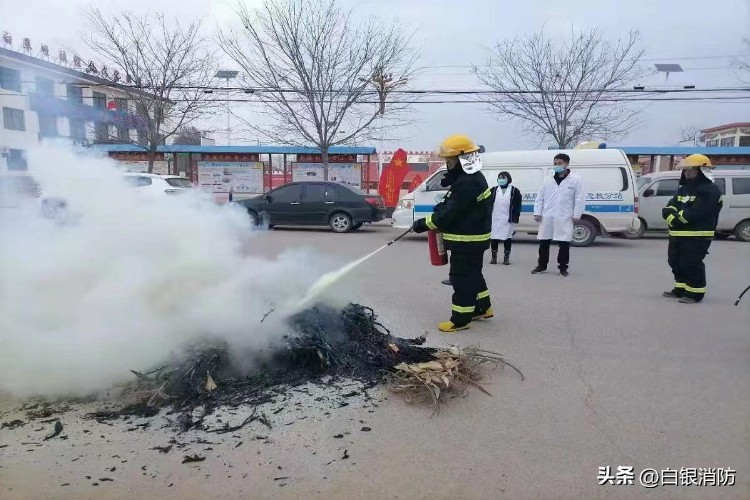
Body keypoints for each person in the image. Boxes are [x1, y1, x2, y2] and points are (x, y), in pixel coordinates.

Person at [412, 134, 493, 333]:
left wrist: (423, 223)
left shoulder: (467, 182)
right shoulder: (470, 179)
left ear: (460, 159)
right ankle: (483, 308)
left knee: (461, 278)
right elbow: (456, 204)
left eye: (449, 160)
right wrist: (443, 206)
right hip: (473, 238)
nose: (447, 163)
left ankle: (460, 319)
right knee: (473, 274)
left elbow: (451, 214)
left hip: (466, 240)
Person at [661, 154, 722, 304]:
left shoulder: (710, 190)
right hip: (677, 234)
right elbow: (669, 207)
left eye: (691, 170)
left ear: (701, 171)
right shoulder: (684, 189)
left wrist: (677, 218)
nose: (687, 173)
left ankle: (695, 293)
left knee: (691, 263)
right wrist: (671, 216)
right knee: (675, 262)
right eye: (686, 170)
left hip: (697, 235)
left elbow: (698, 211)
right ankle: (681, 288)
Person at [531, 153, 585, 277]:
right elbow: (540, 197)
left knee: (564, 243)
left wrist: (577, 214)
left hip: (565, 216)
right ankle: (542, 265)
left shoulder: (576, 180)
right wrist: (537, 212)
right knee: (544, 242)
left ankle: (563, 268)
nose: (557, 166)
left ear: (567, 164)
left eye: (559, 163)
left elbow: (580, 198)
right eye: (555, 164)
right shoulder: (547, 180)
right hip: (547, 215)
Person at [489, 171, 522, 265]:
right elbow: (487, 203)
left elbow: (517, 205)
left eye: (503, 178)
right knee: (494, 238)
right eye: (500, 178)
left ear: (508, 179)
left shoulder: (514, 191)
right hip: (495, 218)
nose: (501, 180)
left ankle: (506, 258)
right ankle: (494, 257)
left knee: (507, 238)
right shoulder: (493, 190)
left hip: (508, 218)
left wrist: (515, 217)